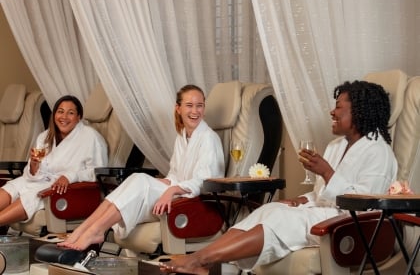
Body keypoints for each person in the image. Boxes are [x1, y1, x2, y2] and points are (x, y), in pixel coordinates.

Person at [160, 80, 398, 275]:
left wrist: (326, 171)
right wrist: (300, 201)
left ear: (358, 111)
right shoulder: (336, 146)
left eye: (338, 107)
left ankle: (199, 259)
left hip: (350, 223)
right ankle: (206, 260)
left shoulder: (379, 152)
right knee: (267, 210)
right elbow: (320, 194)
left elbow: (366, 204)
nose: (332, 111)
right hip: (325, 211)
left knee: (280, 220)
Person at [58, 84, 225, 250]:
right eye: (189, 105)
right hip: (178, 194)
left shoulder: (209, 138)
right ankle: (83, 229)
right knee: (138, 179)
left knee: (141, 182)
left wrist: (171, 190)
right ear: (178, 108)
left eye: (199, 106)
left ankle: (95, 231)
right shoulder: (181, 137)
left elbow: (204, 181)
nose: (195, 111)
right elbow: (174, 175)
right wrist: (165, 185)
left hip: (194, 201)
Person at [0, 95, 108, 227]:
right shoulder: (45, 136)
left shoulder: (91, 137)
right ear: (54, 114)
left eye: (71, 113)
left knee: (33, 196)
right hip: (38, 180)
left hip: (66, 189)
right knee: (12, 187)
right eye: (60, 111)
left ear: (79, 117)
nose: (64, 117)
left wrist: (69, 177)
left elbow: (98, 173)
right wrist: (34, 166)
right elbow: (32, 173)